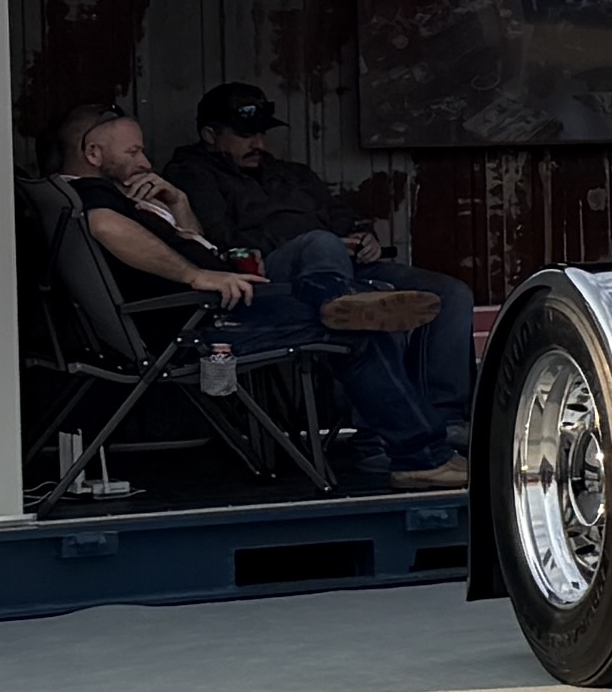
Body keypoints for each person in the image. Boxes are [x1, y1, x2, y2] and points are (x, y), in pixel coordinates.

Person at [60, 109, 464, 488]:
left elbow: (196, 243)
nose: (146, 161)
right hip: (202, 323)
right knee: (358, 331)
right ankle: (421, 458)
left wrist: (178, 205)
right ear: (93, 153)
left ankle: (344, 301)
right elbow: (107, 228)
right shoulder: (94, 198)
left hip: (214, 307)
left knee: (353, 290)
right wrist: (195, 274)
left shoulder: (91, 196)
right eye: (133, 151)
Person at [167, 84, 479, 433]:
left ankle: (446, 419)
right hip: (271, 277)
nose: (258, 143)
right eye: (244, 135)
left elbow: (340, 215)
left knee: (451, 293)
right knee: (321, 245)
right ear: (210, 134)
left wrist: (363, 237)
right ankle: (348, 308)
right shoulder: (192, 174)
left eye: (261, 134)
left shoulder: (291, 172)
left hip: (346, 265)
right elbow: (219, 241)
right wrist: (318, 242)